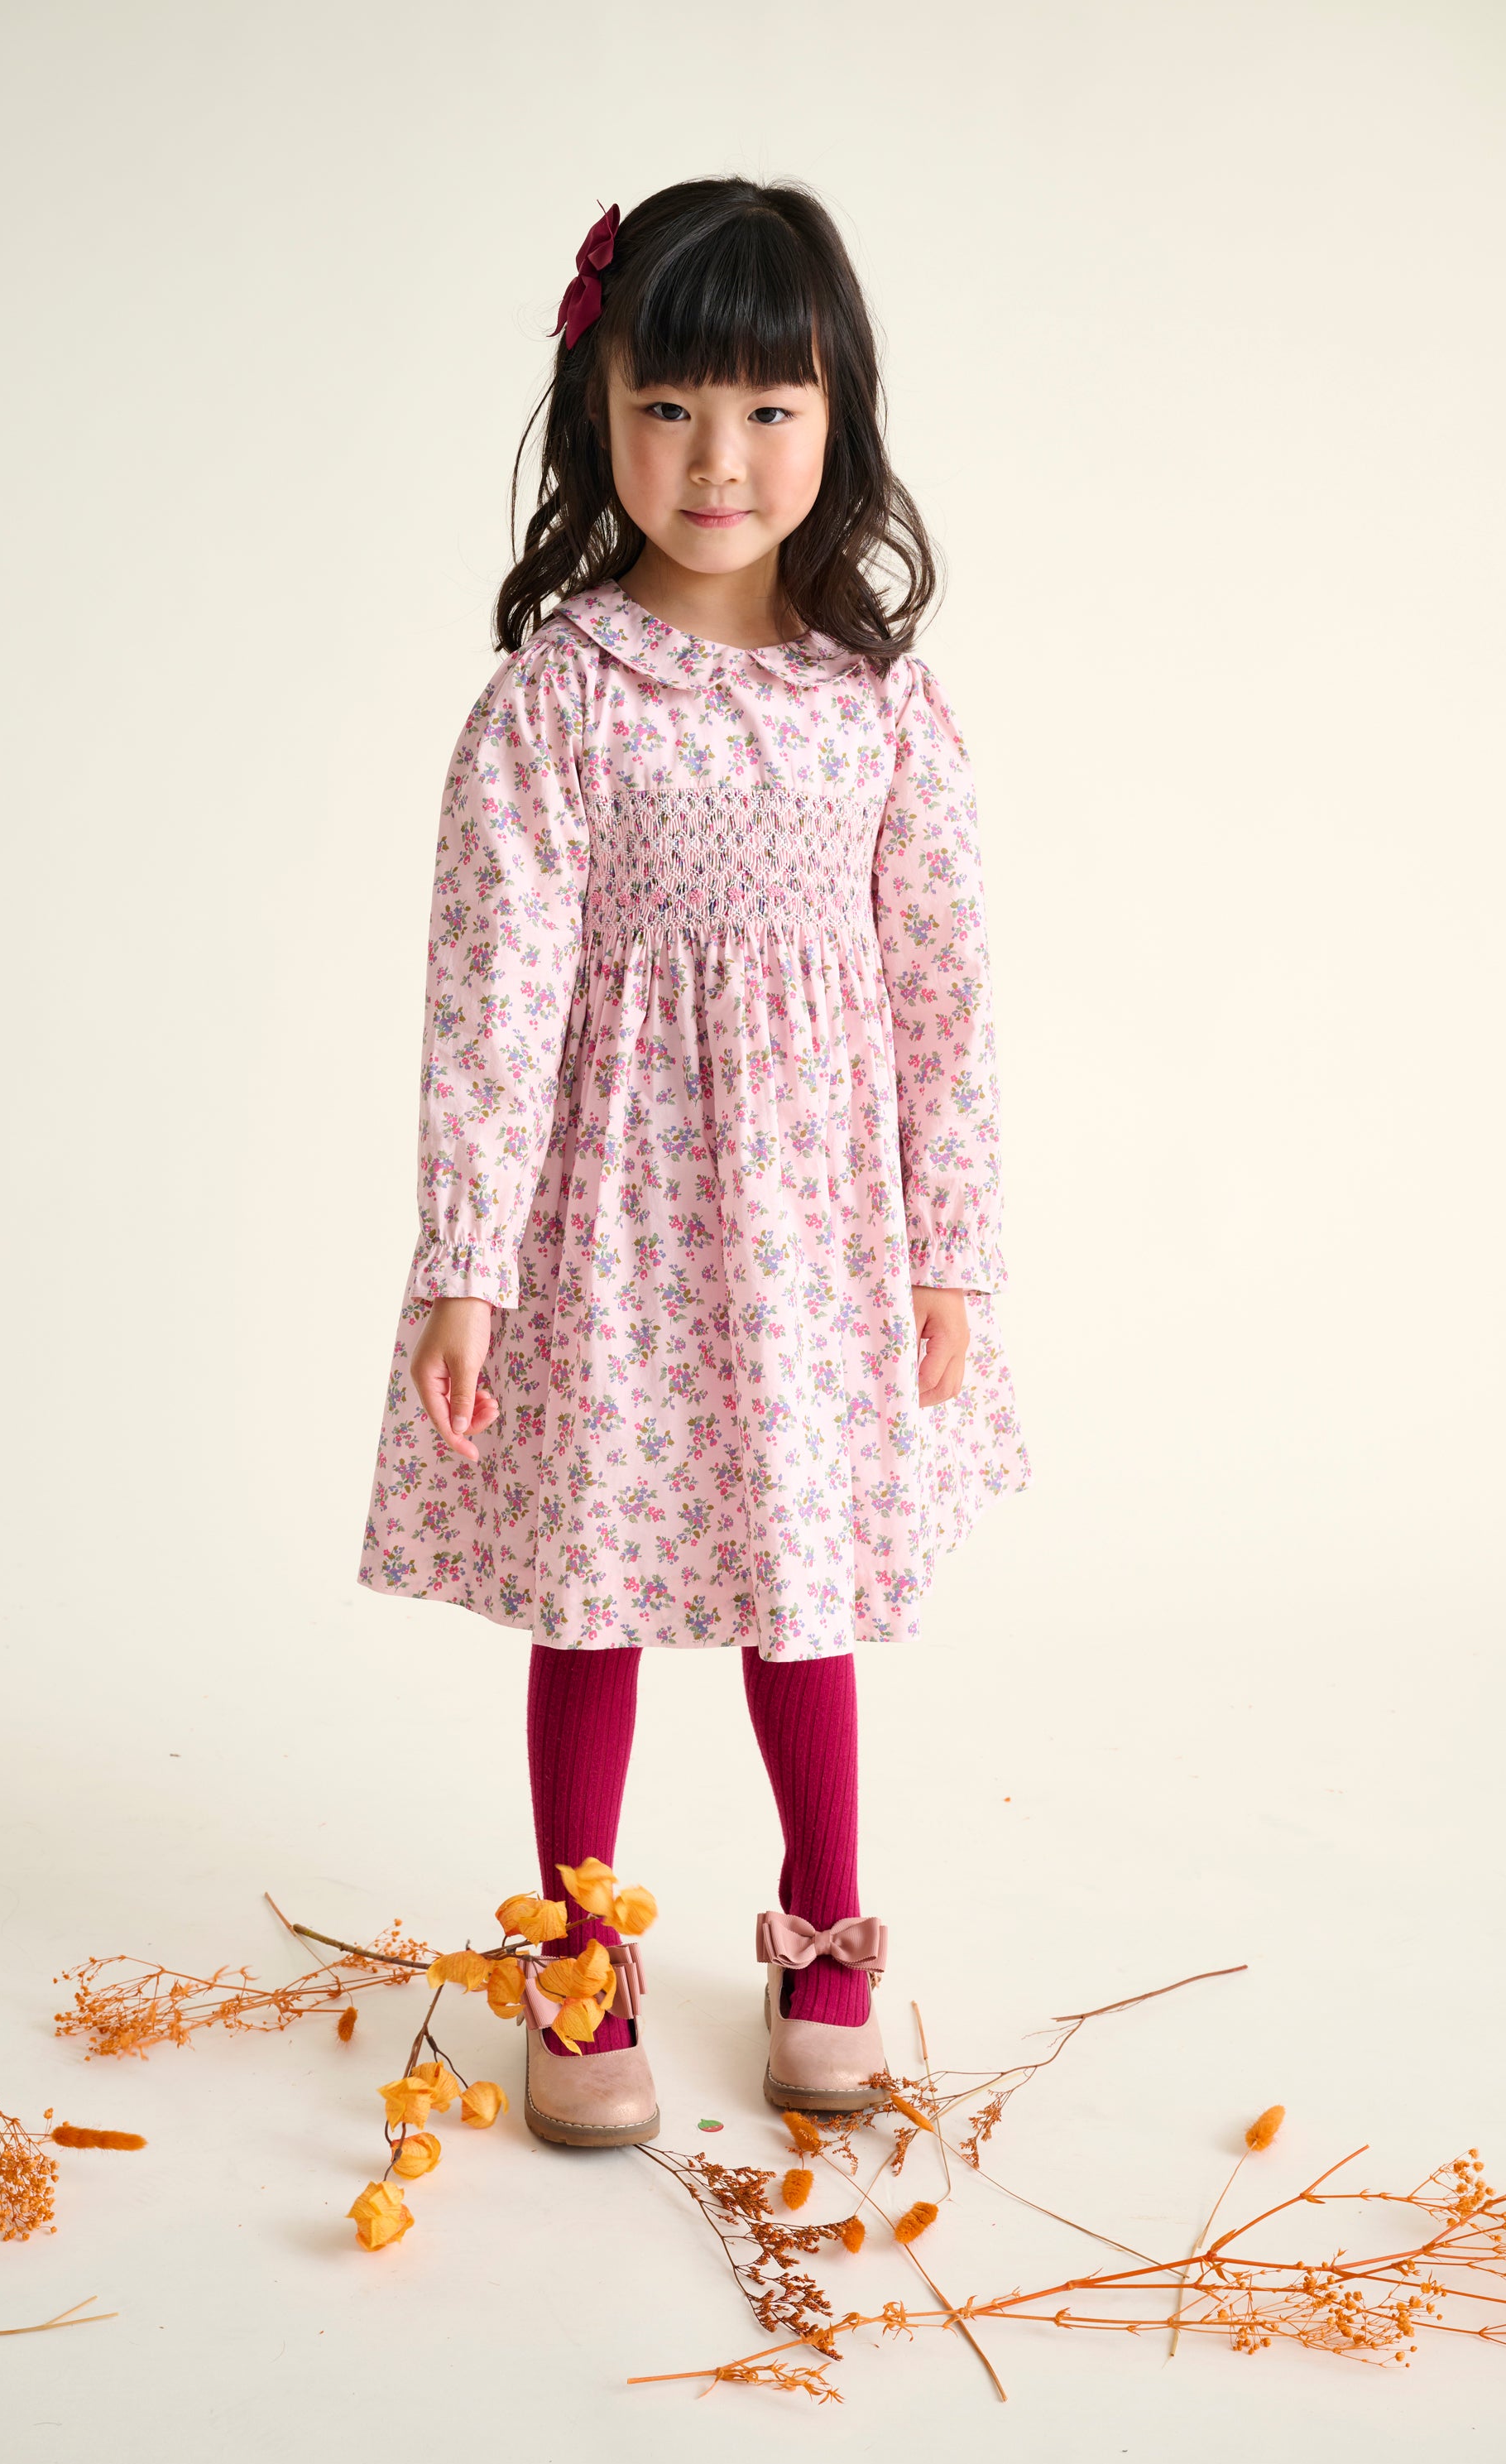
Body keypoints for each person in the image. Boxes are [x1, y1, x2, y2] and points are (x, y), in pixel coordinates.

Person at [357, 177, 1030, 2149]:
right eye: (669, 411)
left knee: (797, 1581)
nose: (717, 461)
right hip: (610, 1228)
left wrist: (951, 1252)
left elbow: (948, 994)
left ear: (838, 425)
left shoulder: (885, 708)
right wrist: (467, 1258)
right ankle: (580, 1947)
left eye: (766, 411)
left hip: (819, 1231)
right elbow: (490, 994)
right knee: (593, 1582)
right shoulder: (558, 700)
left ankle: (826, 1931)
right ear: (601, 417)